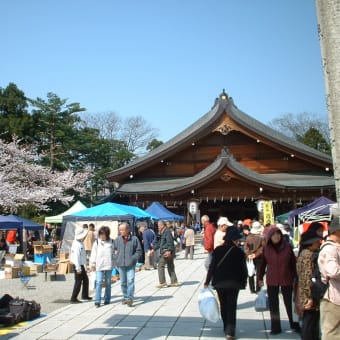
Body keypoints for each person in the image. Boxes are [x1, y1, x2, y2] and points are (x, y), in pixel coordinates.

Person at [204, 226, 247, 340]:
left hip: (220, 283)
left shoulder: (218, 250)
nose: (238, 241)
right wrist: (244, 282)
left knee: (223, 305)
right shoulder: (239, 252)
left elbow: (212, 267)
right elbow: (243, 269)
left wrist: (207, 281)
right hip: (234, 283)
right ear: (233, 239)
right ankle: (230, 331)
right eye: (237, 239)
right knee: (232, 306)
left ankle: (226, 326)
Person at [258, 226, 300, 335]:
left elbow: (293, 264)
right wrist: (260, 277)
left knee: (289, 303)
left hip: (287, 278)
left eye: (278, 234)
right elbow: (262, 265)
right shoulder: (266, 248)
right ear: (270, 237)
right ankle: (275, 327)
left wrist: (296, 277)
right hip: (272, 279)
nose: (276, 236)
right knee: (273, 304)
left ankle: (294, 324)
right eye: (273, 235)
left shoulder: (287, 247)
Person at [296, 225, 323, 340]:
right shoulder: (308, 255)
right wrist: (310, 297)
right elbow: (307, 278)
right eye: (317, 241)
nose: (319, 243)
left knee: (309, 322)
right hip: (309, 294)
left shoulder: (303, 253)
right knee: (310, 323)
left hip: (304, 293)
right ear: (311, 243)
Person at [318, 215, 340, 339]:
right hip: (332, 298)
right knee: (331, 334)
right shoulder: (330, 249)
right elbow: (333, 271)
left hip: (337, 295)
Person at [115, 222, 142, 307]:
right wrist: (115, 258)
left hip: (130, 264)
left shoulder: (134, 239)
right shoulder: (117, 239)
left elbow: (139, 251)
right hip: (121, 264)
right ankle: (125, 296)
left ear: (128, 230)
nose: (121, 231)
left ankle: (130, 298)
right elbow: (113, 250)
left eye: (122, 230)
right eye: (120, 230)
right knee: (123, 282)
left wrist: (133, 258)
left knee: (130, 280)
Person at [90, 226, 116, 307]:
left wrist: (114, 262)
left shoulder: (112, 242)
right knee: (98, 282)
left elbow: (114, 253)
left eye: (103, 234)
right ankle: (97, 300)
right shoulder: (96, 242)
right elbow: (93, 253)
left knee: (108, 282)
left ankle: (107, 299)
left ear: (107, 234)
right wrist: (92, 264)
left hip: (109, 264)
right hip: (99, 265)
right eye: (100, 234)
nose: (102, 236)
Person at [151, 219, 179, 288]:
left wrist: (169, 251)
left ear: (162, 225)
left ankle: (162, 282)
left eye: (159, 226)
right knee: (170, 266)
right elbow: (160, 242)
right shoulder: (164, 232)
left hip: (166, 251)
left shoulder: (167, 232)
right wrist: (154, 249)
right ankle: (174, 282)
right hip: (168, 251)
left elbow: (170, 242)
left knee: (160, 265)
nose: (158, 227)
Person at [70, 226, 92, 303]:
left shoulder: (79, 242)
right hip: (78, 265)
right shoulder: (77, 244)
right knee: (78, 282)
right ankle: (73, 298)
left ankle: (84, 295)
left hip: (80, 264)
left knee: (86, 280)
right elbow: (76, 257)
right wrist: (78, 268)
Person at [244, 221, 264, 293]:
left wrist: (249, 254)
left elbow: (246, 247)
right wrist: (256, 254)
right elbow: (262, 248)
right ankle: (258, 289)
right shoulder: (261, 237)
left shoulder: (248, 237)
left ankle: (252, 289)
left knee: (250, 273)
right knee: (259, 273)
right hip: (259, 257)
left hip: (249, 257)